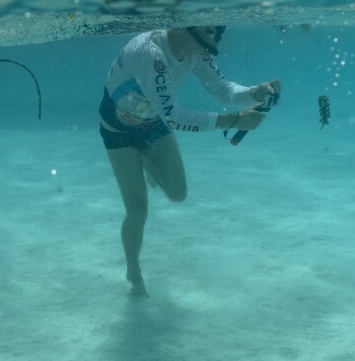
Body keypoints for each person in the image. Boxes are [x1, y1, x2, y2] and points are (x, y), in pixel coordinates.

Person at [98, 26, 280, 297]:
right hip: (119, 130)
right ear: (187, 26)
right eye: (210, 32)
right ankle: (133, 272)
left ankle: (147, 162)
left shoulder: (197, 50)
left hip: (153, 123)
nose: (216, 40)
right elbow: (173, 116)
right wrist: (233, 120)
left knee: (178, 194)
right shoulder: (150, 53)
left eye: (219, 33)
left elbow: (221, 88)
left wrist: (254, 92)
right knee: (138, 210)